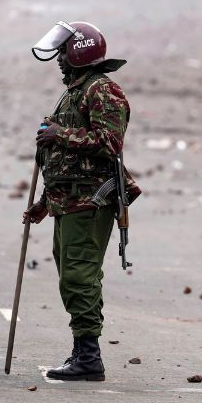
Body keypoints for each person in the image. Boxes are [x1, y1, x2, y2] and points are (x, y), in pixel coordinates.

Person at [24, 21, 140, 382]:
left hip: (90, 201)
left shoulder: (103, 90)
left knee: (79, 275)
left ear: (78, 53)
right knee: (71, 275)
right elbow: (65, 157)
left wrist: (61, 134)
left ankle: (89, 357)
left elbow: (110, 142)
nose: (59, 60)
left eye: (64, 53)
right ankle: (83, 352)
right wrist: (45, 201)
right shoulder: (77, 91)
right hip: (67, 201)